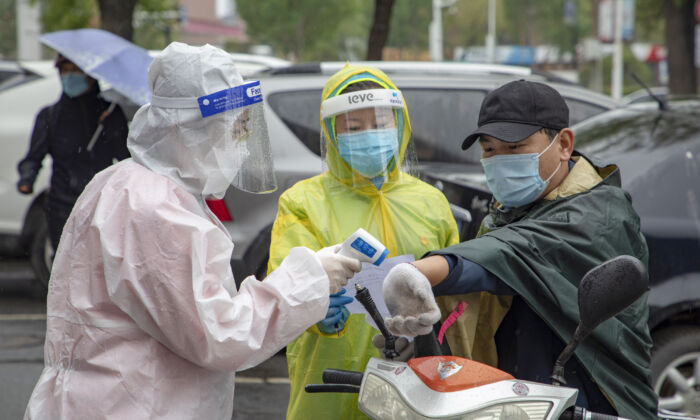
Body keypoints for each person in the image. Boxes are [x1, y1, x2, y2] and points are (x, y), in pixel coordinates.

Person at [23, 42, 362, 420]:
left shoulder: (128, 184)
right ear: (189, 128)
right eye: (236, 128)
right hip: (132, 406)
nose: (243, 144)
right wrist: (310, 277)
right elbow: (221, 335)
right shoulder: (153, 208)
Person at [381, 80, 659, 419]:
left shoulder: (600, 214)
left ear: (564, 144)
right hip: (517, 401)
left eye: (514, 148)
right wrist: (421, 346)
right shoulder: (506, 213)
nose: (499, 161)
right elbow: (479, 305)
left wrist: (423, 272)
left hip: (593, 402)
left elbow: (506, 257)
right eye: (489, 150)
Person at [267, 64, 460, 419]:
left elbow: (456, 294)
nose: (370, 135)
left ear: (399, 126)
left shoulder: (430, 202)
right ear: (331, 132)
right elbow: (283, 286)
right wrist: (315, 313)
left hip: (416, 382)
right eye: (354, 128)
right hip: (329, 381)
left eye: (381, 123)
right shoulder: (303, 203)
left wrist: (430, 335)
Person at [17, 53, 130, 250]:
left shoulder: (110, 113)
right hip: (61, 204)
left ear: (90, 76)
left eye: (75, 71)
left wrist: (111, 128)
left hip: (100, 202)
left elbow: (125, 157)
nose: (69, 76)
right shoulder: (50, 116)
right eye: (65, 71)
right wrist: (27, 179)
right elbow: (34, 156)